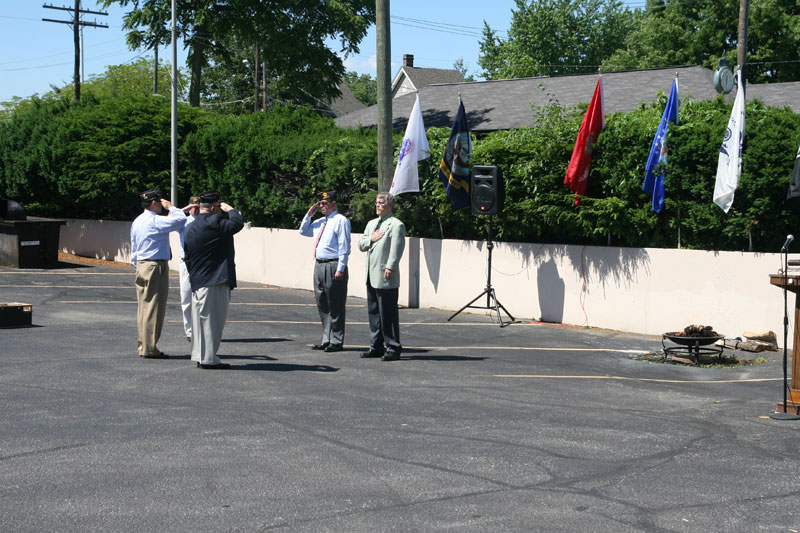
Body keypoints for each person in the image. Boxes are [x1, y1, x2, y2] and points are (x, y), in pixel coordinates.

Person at [184, 191, 244, 369]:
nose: (220, 210)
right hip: (214, 279)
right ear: (212, 208)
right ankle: (209, 359)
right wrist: (232, 210)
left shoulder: (191, 227)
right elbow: (237, 224)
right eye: (218, 207)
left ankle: (200, 355)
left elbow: (187, 256)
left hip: (199, 279)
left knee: (199, 322)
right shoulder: (215, 222)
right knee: (212, 322)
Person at [130, 188, 187, 358]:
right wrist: (172, 207)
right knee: (154, 307)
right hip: (155, 266)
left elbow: (134, 246)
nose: (162, 206)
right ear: (154, 203)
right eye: (160, 203)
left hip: (141, 264)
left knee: (144, 308)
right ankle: (149, 348)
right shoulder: (155, 221)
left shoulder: (138, 221)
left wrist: (136, 265)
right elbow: (181, 220)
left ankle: (144, 345)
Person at [299, 190, 351, 352]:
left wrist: (341, 268)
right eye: (320, 203)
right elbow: (303, 231)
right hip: (319, 265)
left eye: (324, 203)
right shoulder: (320, 221)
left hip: (333, 265)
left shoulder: (340, 220)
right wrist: (308, 215)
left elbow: (344, 246)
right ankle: (326, 338)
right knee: (322, 302)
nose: (321, 206)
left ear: (333, 203)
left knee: (335, 304)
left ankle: (337, 340)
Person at [357, 192, 406, 361]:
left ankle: (393, 347)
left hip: (385, 274)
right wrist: (371, 238)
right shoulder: (372, 224)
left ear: (390, 206)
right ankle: (376, 345)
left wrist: (391, 266)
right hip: (371, 275)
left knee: (388, 313)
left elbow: (396, 248)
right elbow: (361, 244)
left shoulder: (396, 225)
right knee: (374, 312)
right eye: (376, 203)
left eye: (381, 203)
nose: (377, 206)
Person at [178, 197, 200, 342]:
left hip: (201, 264)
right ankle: (190, 331)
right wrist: (183, 210)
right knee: (186, 298)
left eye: (198, 206)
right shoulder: (183, 221)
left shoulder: (206, 221)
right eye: (193, 206)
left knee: (201, 298)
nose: (196, 209)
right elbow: (168, 219)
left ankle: (200, 329)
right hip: (186, 262)